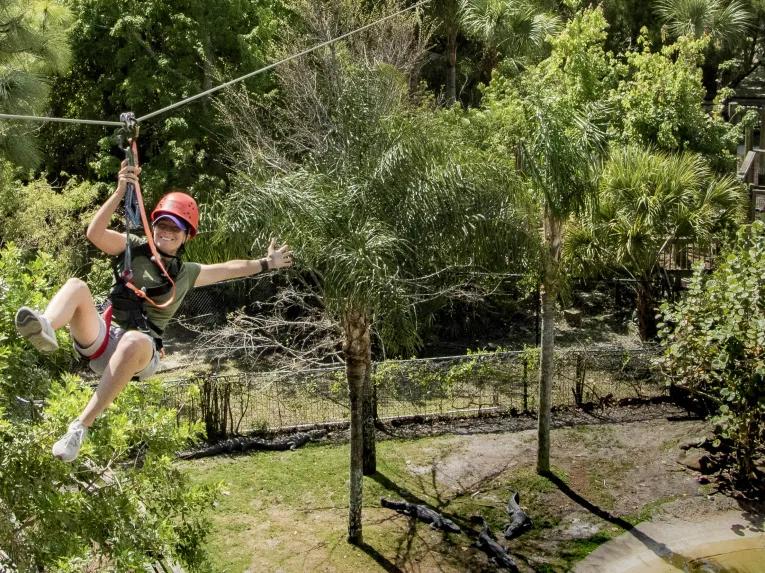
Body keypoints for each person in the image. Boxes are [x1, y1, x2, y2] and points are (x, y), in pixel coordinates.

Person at [14, 163, 293, 462]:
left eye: (175, 228)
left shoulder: (186, 273)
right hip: (104, 338)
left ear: (187, 236)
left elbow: (230, 269)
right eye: (162, 225)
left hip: (142, 350)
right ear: (153, 225)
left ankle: (79, 427)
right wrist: (121, 190)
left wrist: (268, 263)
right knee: (76, 285)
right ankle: (45, 326)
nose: (167, 232)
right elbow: (94, 233)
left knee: (134, 340)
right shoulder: (132, 247)